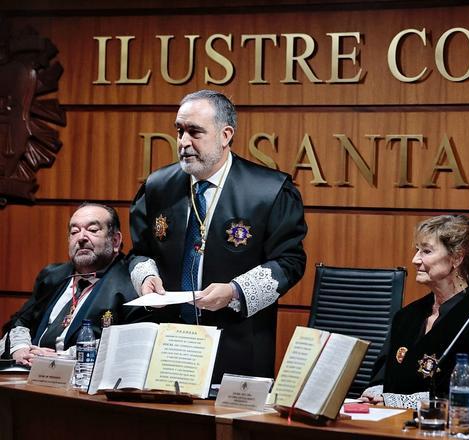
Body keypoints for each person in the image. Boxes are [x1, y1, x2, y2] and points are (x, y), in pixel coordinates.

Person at [129, 89, 307, 383]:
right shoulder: (157, 186)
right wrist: (146, 277)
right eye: (179, 131)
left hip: (237, 341)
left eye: (195, 132)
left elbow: (290, 261)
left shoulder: (270, 190)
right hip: (167, 340)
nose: (184, 142)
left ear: (225, 135)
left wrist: (235, 290)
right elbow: (139, 252)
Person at [361, 215, 469, 408]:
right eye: (417, 250)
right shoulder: (406, 316)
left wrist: (401, 402)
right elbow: (381, 377)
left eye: (426, 251)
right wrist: (374, 395)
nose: (415, 260)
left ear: (457, 258)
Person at [0, 203, 145, 365]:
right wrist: (20, 349)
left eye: (92, 230)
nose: (81, 238)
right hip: (30, 374)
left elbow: (133, 342)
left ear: (115, 241)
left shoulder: (131, 284)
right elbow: (19, 322)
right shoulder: (53, 276)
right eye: (74, 232)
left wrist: (64, 359)